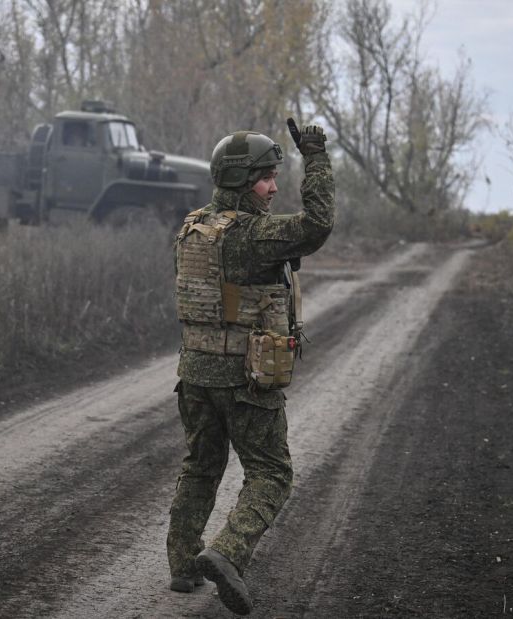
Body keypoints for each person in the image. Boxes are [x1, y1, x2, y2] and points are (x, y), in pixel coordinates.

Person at [167, 124, 334, 615]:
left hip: (195, 374)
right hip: (245, 377)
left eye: (276, 177)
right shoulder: (256, 235)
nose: (274, 187)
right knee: (272, 473)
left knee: (200, 466)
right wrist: (316, 158)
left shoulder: (192, 227)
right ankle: (227, 552)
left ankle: (181, 565)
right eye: (266, 178)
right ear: (242, 181)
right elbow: (317, 225)